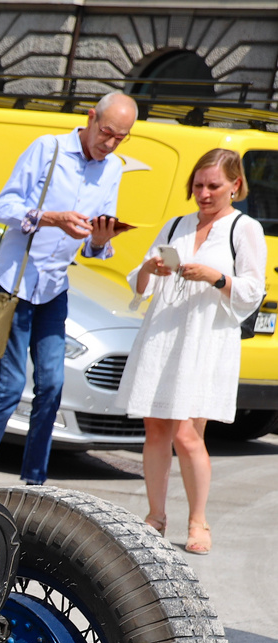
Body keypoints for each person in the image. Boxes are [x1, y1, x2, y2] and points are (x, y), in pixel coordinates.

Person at [0, 93, 136, 498]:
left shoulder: (113, 171)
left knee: (52, 385)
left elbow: (92, 247)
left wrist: (102, 240)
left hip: (54, 287)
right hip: (14, 284)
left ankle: (34, 483)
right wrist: (52, 218)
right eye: (106, 132)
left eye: (121, 138)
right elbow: (2, 208)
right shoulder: (48, 149)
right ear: (91, 118)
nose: (111, 143)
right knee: (11, 385)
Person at [117, 148, 266, 555]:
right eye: (198, 185)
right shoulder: (176, 224)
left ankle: (198, 520)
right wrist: (151, 269)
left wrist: (215, 277)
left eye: (213, 185)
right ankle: (156, 515)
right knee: (156, 428)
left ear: (235, 186)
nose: (204, 193)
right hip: (164, 333)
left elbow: (255, 289)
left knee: (187, 433)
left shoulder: (244, 228)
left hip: (205, 340)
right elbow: (138, 279)